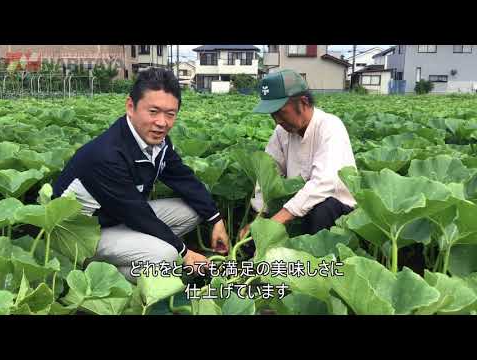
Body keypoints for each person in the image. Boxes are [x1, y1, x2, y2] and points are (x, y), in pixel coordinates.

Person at [53, 68, 229, 282]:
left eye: (170, 114)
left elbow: (184, 178)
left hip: (114, 218)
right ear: (130, 106)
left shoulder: (159, 143)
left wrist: (216, 219)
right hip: (79, 234)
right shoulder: (107, 154)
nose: (162, 122)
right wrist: (184, 252)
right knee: (167, 255)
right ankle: (92, 273)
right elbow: (138, 214)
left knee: (192, 210)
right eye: (153, 112)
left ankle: (139, 255)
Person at [239, 69, 356, 240]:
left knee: (322, 210)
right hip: (298, 208)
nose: (277, 120)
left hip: (337, 211)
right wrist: (259, 220)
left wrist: (275, 222)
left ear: (303, 102)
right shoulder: (281, 132)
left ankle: (322, 263)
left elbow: (324, 183)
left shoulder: (330, 126)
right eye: (273, 114)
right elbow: (268, 172)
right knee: (256, 236)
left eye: (280, 112)